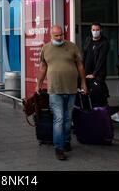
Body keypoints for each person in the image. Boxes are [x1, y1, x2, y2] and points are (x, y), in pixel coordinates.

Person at [36, 25, 87, 161]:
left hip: (71, 89)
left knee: (68, 119)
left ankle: (66, 141)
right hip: (55, 90)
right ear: (51, 35)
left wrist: (83, 83)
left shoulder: (72, 47)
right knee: (58, 119)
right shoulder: (45, 48)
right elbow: (43, 68)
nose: (59, 38)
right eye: (56, 35)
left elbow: (80, 65)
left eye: (61, 35)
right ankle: (59, 148)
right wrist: (38, 85)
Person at [82, 22, 110, 106]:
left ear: (101, 30)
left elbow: (101, 60)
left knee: (97, 93)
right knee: (84, 92)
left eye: (97, 30)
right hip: (86, 72)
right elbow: (84, 55)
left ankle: (100, 112)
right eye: (93, 30)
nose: (95, 31)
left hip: (98, 74)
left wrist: (94, 74)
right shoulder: (88, 40)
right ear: (91, 30)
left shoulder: (104, 42)